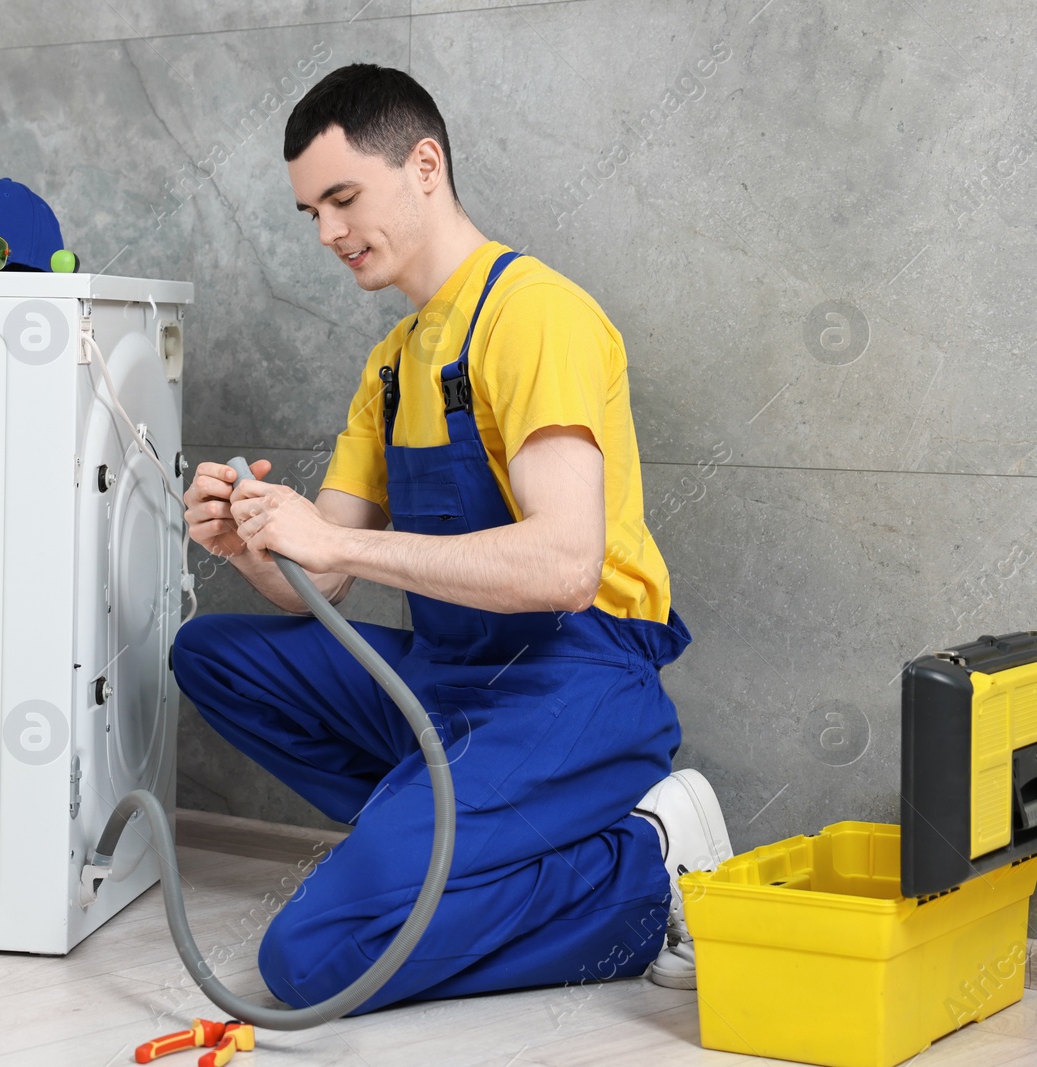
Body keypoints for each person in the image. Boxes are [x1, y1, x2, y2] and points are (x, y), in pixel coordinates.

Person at [170, 64, 734, 1012]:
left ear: (424, 165)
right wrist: (254, 545)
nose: (328, 235)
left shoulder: (534, 314)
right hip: (448, 678)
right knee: (209, 654)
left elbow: (563, 566)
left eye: (343, 199)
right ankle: (447, 846)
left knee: (309, 961)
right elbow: (327, 578)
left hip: (574, 681)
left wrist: (338, 548)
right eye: (311, 213)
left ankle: (647, 863)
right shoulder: (391, 364)